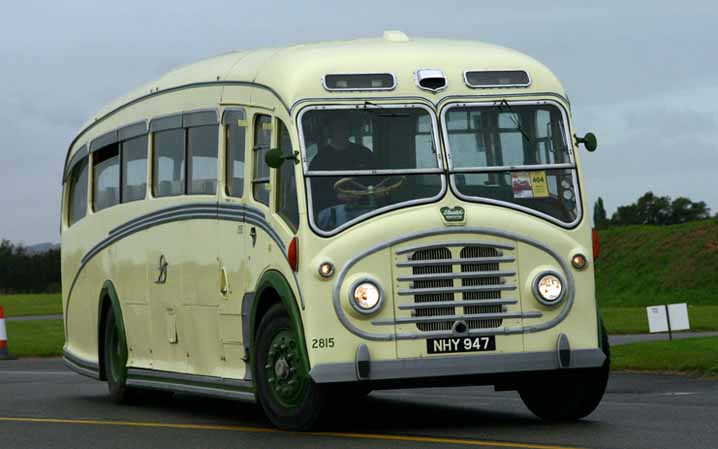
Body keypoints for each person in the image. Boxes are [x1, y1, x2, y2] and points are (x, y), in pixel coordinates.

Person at [309, 115, 376, 209]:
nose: (342, 132)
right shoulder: (320, 159)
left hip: (365, 205)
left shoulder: (364, 153)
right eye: (338, 128)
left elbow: (377, 181)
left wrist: (374, 192)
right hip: (334, 207)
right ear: (330, 132)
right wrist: (336, 197)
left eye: (345, 128)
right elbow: (314, 192)